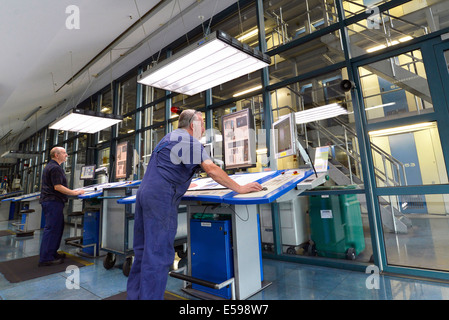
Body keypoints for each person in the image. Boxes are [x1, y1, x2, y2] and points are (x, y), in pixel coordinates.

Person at [127, 109, 263, 300]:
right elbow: (212, 170)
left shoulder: (169, 137)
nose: (205, 128)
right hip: (161, 198)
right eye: (203, 122)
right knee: (158, 256)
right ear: (193, 125)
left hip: (144, 195)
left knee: (142, 252)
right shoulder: (190, 141)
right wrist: (239, 188)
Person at [38, 146, 85, 266]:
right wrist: (75, 192)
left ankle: (52, 253)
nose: (66, 155)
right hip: (52, 201)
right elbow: (58, 187)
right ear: (56, 155)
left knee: (57, 228)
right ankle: (46, 258)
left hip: (53, 201)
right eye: (64, 153)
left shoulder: (52, 166)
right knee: (52, 229)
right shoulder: (55, 168)